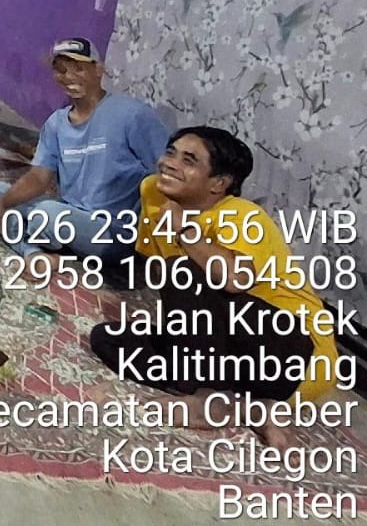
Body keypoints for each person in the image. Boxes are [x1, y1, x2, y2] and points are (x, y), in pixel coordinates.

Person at [88, 127, 340, 446]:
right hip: (232, 350)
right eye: (170, 152)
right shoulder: (154, 191)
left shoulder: (243, 215)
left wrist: (185, 231)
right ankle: (249, 408)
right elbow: (156, 267)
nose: (169, 163)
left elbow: (235, 281)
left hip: (295, 356)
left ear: (218, 183)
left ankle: (210, 398)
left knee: (183, 270)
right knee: (109, 338)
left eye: (189, 160)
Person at [0, 38, 169, 262]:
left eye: (79, 68)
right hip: (69, 212)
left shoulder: (131, 114)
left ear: (98, 70)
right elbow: (39, 177)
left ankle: (28, 238)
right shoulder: (56, 123)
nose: (69, 76)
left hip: (112, 231)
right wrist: (2, 203)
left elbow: (166, 170)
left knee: (46, 214)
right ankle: (33, 252)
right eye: (61, 70)